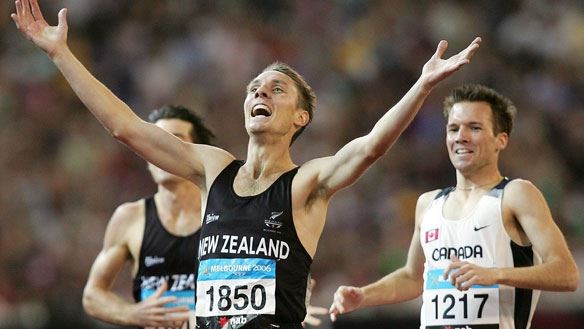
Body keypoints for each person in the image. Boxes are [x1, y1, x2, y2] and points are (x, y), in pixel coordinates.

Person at [12, 1, 481, 327]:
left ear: (301, 117)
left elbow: (369, 147)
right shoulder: (214, 168)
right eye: (255, 87)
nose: (261, 92)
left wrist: (421, 86)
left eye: (277, 89)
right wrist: (61, 54)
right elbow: (127, 128)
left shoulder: (307, 183)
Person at [329, 84, 580, 329]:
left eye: (474, 127)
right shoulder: (428, 203)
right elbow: (413, 278)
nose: (461, 136)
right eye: (453, 128)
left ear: (500, 140)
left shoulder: (515, 194)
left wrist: (495, 274)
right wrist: (364, 295)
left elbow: (567, 274)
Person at [82, 105, 215, 329]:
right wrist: (133, 314)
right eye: (155, 144)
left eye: (175, 142)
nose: (161, 152)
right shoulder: (130, 218)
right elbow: (92, 295)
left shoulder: (223, 215)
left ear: (197, 153)